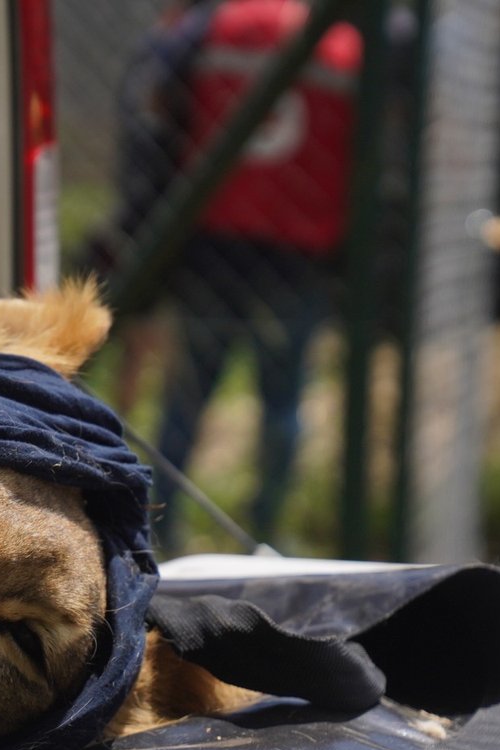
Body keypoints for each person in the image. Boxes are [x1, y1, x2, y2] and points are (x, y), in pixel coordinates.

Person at [149, 0, 362, 549]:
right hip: (300, 249)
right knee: (283, 403)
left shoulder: (215, 27)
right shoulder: (343, 42)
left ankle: (157, 528)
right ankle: (265, 530)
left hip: (215, 237)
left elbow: (159, 100)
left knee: (187, 396)